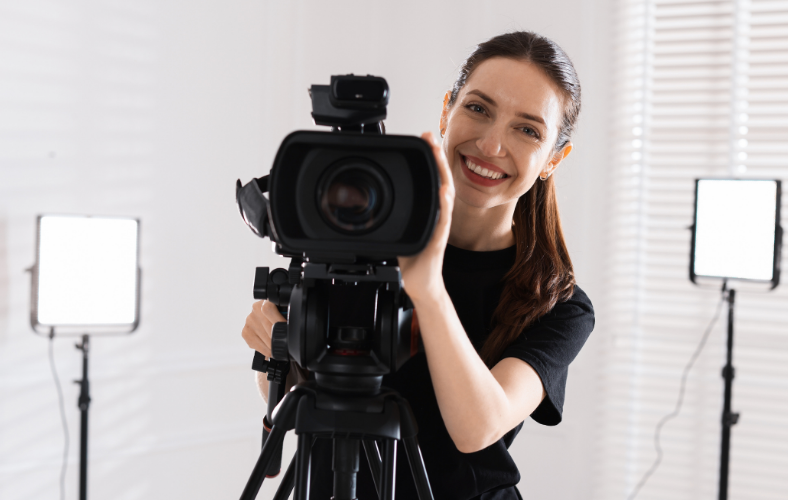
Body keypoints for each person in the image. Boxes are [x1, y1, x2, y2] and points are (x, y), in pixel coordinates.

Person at [241, 31, 595, 500]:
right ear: (447, 110)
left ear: (553, 159)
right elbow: (305, 400)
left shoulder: (556, 302)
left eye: (527, 129)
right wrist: (281, 354)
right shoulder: (360, 240)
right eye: (478, 108)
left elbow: (477, 428)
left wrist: (427, 286)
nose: (491, 145)